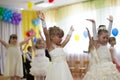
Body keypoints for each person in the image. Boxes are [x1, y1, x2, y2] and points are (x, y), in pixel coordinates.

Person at [38, 11, 74, 80]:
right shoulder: (50, 46)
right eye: (59, 37)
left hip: (64, 69)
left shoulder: (61, 46)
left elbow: (67, 39)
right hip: (55, 70)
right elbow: (46, 34)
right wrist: (43, 21)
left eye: (61, 37)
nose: (61, 39)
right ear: (52, 37)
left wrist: (71, 31)